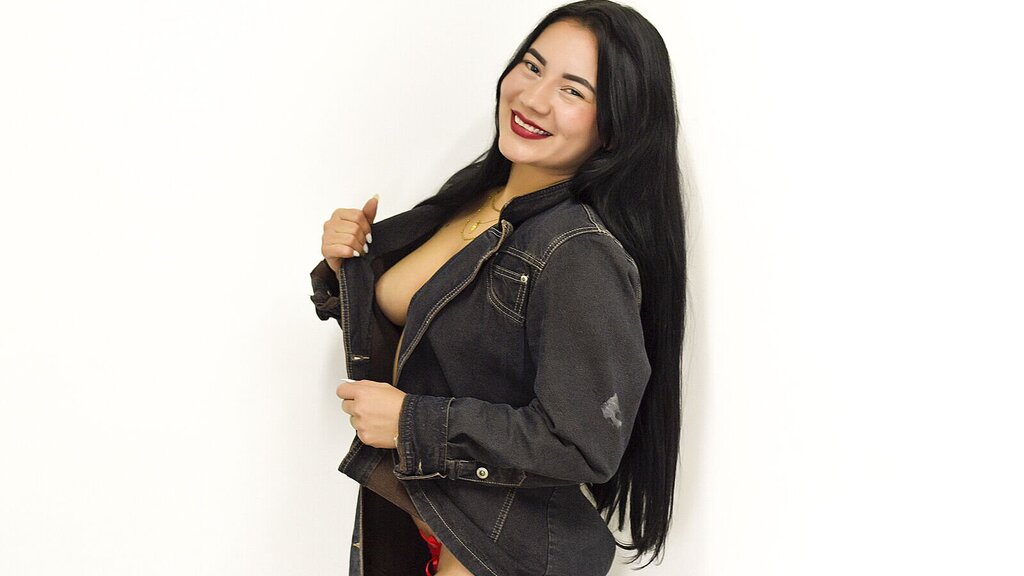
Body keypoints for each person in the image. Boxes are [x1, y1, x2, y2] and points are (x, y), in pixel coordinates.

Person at [309, 1, 687, 574]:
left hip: (502, 550)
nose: (534, 98)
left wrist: (413, 422)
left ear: (615, 128)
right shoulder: (477, 199)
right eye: (532, 67)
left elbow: (582, 441)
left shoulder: (578, 251)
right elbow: (435, 341)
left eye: (573, 90)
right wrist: (350, 264)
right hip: (429, 522)